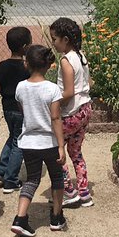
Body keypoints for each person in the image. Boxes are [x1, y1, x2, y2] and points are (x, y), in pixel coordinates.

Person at [9, 44, 68, 237]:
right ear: (48, 65)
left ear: (27, 64)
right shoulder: (52, 89)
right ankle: (57, 217)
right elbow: (55, 118)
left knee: (32, 179)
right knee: (57, 178)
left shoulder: (20, 87)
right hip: (49, 142)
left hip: (28, 142)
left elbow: (23, 110)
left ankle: (20, 217)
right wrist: (61, 145)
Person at [51, 17, 94, 208]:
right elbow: (88, 83)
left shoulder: (66, 60)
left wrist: (53, 104)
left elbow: (68, 92)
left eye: (55, 39)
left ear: (65, 39)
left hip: (72, 112)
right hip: (85, 109)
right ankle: (84, 192)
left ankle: (68, 190)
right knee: (76, 152)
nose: (53, 43)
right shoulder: (81, 56)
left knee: (56, 149)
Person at [0, 26, 32, 195]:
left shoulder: (2, 65)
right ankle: (11, 180)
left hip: (7, 108)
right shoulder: (26, 67)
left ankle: (1, 169)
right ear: (24, 46)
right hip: (21, 109)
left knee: (13, 136)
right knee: (19, 142)